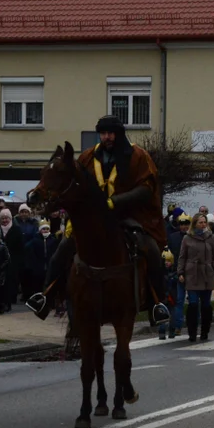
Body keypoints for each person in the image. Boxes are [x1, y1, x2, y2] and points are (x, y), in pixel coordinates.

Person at [28, 115, 170, 325]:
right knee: (63, 250)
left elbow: (146, 189)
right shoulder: (87, 157)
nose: (107, 137)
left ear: (119, 134)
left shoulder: (138, 156)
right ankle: (45, 296)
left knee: (151, 251)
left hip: (128, 216)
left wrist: (115, 202)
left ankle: (158, 302)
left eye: (110, 133)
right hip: (93, 220)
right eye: (103, 133)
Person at [178, 213, 214, 342]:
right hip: (192, 273)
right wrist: (180, 272)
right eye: (200, 222)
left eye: (204, 222)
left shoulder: (211, 237)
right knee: (193, 303)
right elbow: (182, 257)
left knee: (206, 304)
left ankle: (205, 331)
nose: (203, 225)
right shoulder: (187, 238)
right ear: (195, 223)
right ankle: (192, 331)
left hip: (207, 273)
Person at [165, 213, 191, 336]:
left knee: (193, 301)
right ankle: (178, 326)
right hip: (177, 273)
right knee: (179, 300)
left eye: (186, 224)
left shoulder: (194, 237)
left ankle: (193, 324)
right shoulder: (173, 237)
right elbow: (169, 254)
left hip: (192, 273)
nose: (184, 226)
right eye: (182, 224)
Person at [24, 220, 58, 301]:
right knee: (38, 285)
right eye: (43, 229)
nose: (45, 230)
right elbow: (28, 248)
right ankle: (38, 300)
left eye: (47, 229)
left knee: (48, 284)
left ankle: (49, 300)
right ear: (40, 230)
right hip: (38, 267)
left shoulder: (53, 240)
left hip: (49, 266)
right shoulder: (35, 240)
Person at [0, 209, 23, 309]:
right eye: (2, 218)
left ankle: (9, 301)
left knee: (11, 281)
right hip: (0, 260)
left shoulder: (16, 229)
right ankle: (1, 301)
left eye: (7, 218)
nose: (5, 220)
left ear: (10, 218)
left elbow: (20, 247)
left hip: (13, 260)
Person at [159, 249, 179, 340]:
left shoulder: (175, 273)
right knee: (162, 315)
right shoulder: (161, 273)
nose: (167, 263)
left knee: (173, 315)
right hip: (163, 297)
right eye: (165, 261)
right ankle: (162, 332)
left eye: (168, 261)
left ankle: (172, 331)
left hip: (172, 297)